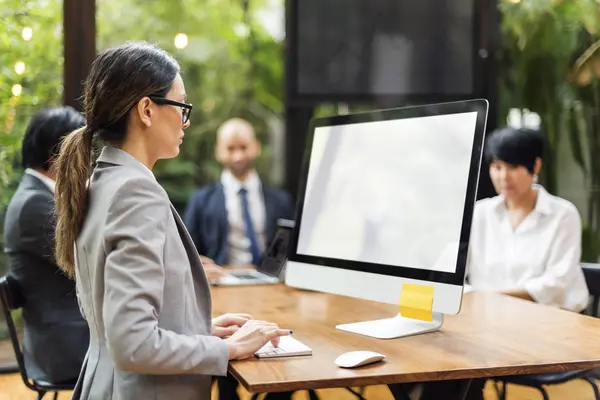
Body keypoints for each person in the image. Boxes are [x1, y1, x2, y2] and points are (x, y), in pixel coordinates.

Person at [51, 42, 291, 400]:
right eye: (181, 107)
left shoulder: (101, 182)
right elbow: (132, 343)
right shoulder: (136, 193)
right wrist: (228, 350)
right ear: (146, 109)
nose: (186, 120)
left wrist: (197, 330)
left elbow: (114, 322)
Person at [418, 126, 590, 400]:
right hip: (487, 326)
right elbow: (448, 266)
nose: (502, 176)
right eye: (496, 167)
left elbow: (556, 284)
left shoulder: (562, 214)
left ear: (535, 165)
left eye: (512, 166)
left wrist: (486, 297)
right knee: (438, 353)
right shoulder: (482, 212)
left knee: (455, 360)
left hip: (547, 329)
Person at [3, 107, 89, 384]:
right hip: (67, 346)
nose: (88, 160)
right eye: (81, 150)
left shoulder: (36, 195)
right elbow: (91, 262)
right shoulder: (34, 204)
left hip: (66, 336)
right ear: (56, 156)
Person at [183, 118, 294, 277]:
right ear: (218, 151)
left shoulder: (281, 200)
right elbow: (187, 252)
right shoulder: (201, 201)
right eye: (230, 148)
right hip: (220, 283)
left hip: (269, 282)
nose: (238, 156)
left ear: (256, 147)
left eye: (243, 147)